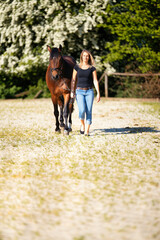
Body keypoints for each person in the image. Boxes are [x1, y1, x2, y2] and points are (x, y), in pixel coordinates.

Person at [70, 49, 100, 136]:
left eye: (87, 56)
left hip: (89, 91)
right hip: (79, 91)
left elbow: (95, 80)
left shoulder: (92, 68)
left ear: (89, 57)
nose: (85, 57)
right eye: (84, 56)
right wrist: (72, 91)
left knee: (89, 111)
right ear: (81, 57)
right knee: (82, 110)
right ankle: (82, 125)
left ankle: (87, 131)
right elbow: (73, 80)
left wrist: (98, 93)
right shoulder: (76, 67)